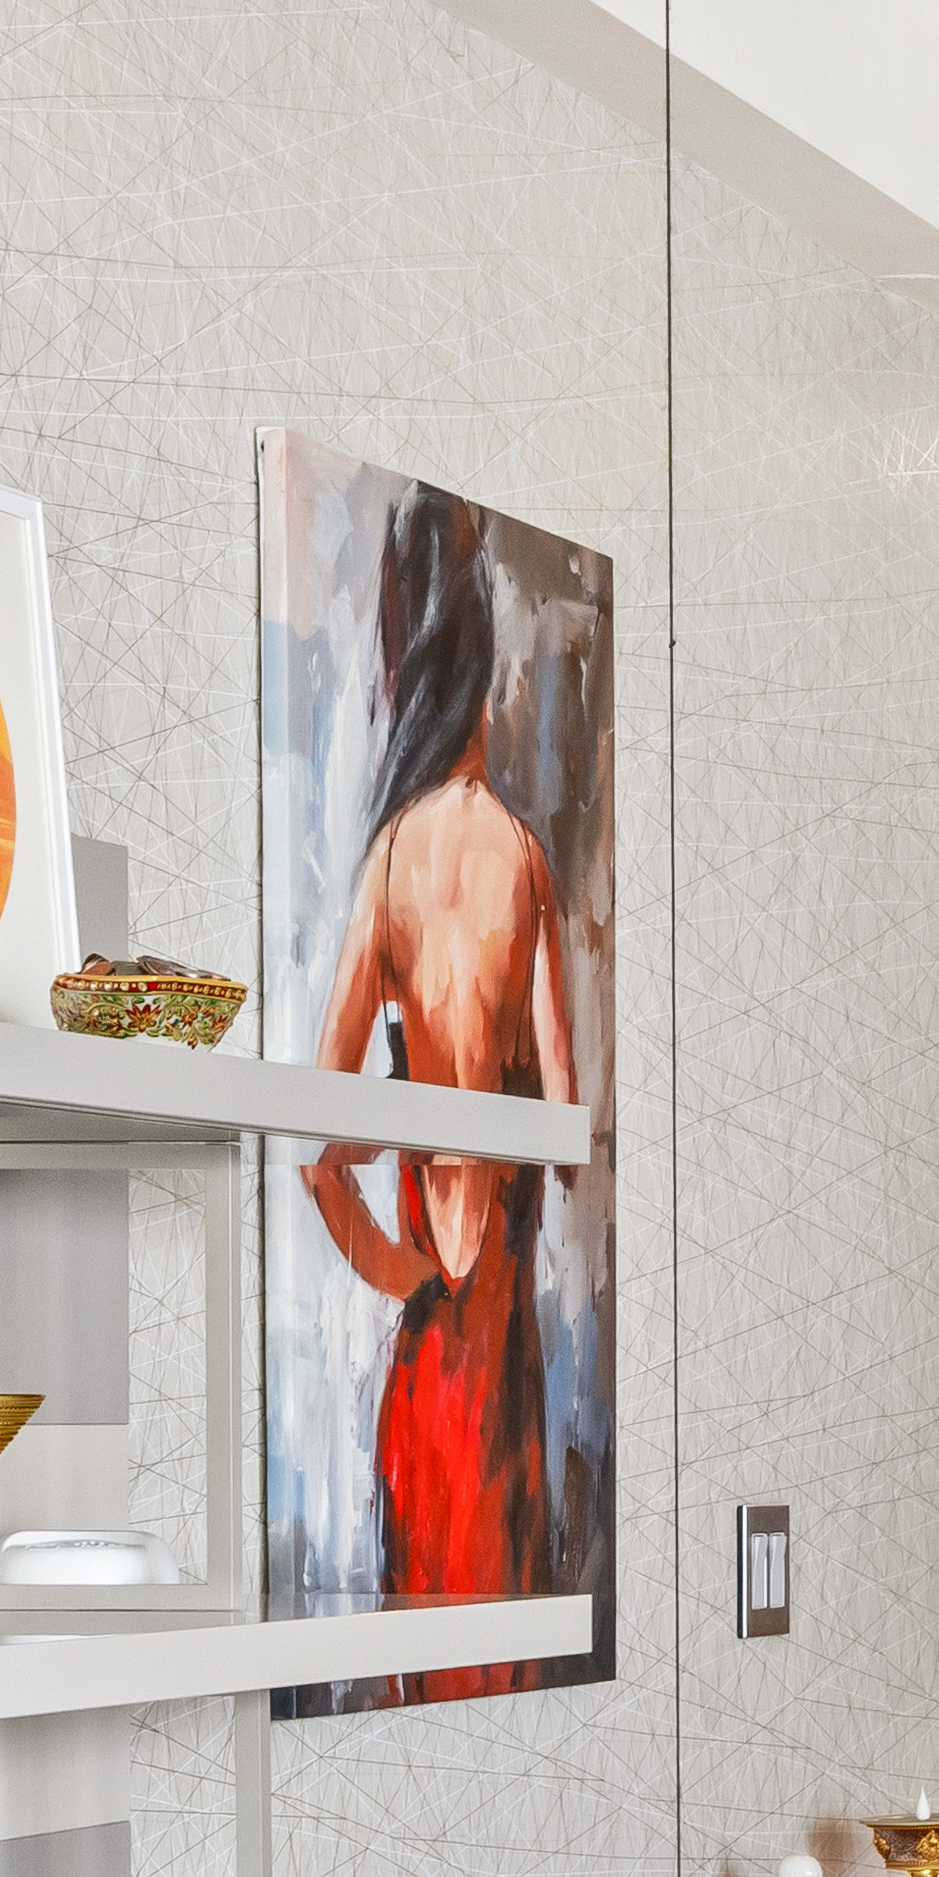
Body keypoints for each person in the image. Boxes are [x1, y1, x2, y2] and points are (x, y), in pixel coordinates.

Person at [295, 516, 581, 1634]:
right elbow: (565, 1127)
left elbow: (321, 1157)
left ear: (405, 660)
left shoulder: (387, 865)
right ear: (482, 659)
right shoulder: (525, 861)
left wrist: (410, 1273)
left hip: (429, 1362)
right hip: (503, 1360)